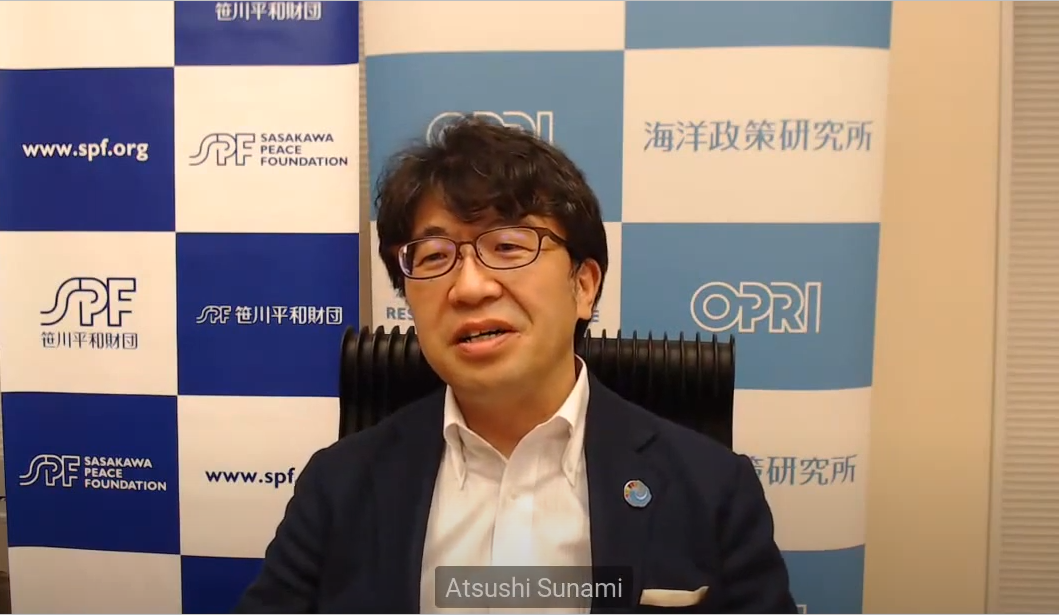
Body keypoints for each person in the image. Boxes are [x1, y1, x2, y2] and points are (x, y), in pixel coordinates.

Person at [235, 116, 798, 614]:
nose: (469, 287)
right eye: (434, 256)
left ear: (583, 286)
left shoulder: (712, 489)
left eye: (507, 247)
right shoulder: (337, 487)